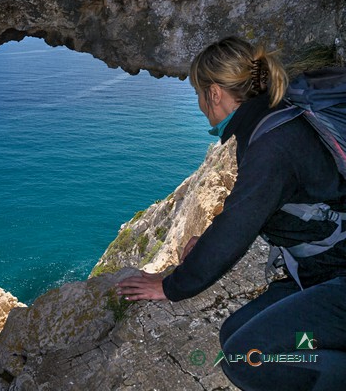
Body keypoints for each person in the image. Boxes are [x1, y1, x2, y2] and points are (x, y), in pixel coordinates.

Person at [115, 36, 346, 390]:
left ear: (214, 94)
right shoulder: (275, 120)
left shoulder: (273, 144)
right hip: (322, 273)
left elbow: (237, 227)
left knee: (246, 357)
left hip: (338, 277)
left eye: (198, 94)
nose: (200, 105)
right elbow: (252, 207)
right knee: (233, 333)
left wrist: (171, 286)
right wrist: (202, 244)